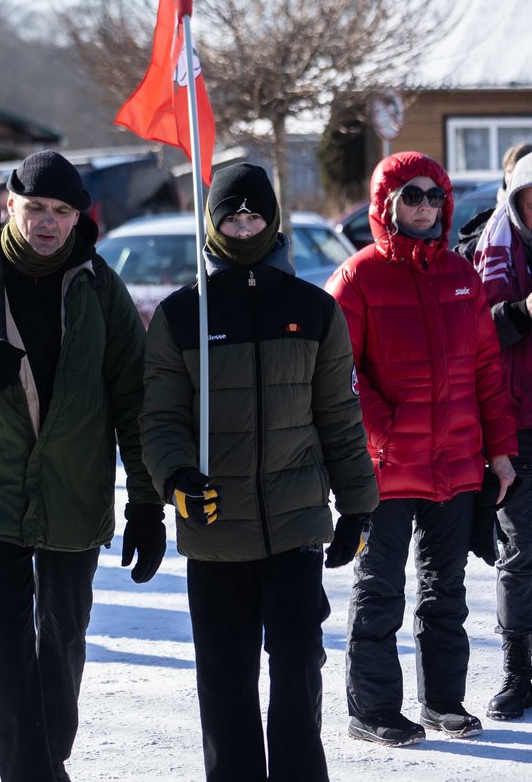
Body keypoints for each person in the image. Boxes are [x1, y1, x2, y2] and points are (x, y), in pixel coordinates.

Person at [0, 150, 163, 782]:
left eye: (60, 211)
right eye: (34, 208)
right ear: (9, 206)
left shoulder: (100, 287)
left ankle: (49, 759)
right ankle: (30, 772)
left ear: (80, 215)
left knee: (63, 637)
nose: (47, 222)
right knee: (7, 643)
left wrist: (146, 502)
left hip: (74, 492)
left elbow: (135, 401)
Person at [141, 164, 379, 782]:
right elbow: (160, 418)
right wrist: (176, 478)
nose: (243, 227)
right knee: (226, 684)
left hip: (295, 528)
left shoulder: (313, 310)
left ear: (272, 220)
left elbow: (339, 413)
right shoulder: (182, 315)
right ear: (212, 224)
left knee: (298, 671)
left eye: (254, 216)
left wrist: (357, 503)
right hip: (216, 533)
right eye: (231, 217)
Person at [326, 151, 517, 746]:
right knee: (379, 592)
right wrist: (385, 433)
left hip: (455, 466)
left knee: (446, 592)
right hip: (383, 470)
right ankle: (373, 709)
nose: (425, 207)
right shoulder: (357, 278)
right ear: (386, 203)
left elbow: (487, 371)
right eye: (412, 195)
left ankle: (443, 703)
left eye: (435, 196)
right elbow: (338, 374)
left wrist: (500, 451)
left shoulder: (461, 275)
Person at [469, 151, 532, 720]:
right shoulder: (493, 250)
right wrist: (524, 311)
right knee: (520, 554)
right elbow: (475, 339)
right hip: (517, 426)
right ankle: (517, 673)